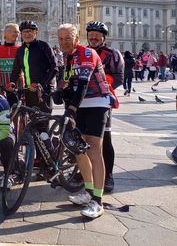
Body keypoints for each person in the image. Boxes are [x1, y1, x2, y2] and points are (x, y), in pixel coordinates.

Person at [56, 23, 112, 219]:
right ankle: (88, 191)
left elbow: (83, 83)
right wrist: (60, 92)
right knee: (78, 148)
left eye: (67, 39)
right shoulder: (67, 57)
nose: (63, 42)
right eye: (60, 39)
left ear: (77, 39)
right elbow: (69, 84)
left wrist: (71, 109)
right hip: (80, 105)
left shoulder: (87, 54)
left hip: (97, 102)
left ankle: (98, 199)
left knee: (94, 148)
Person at [85, 21, 124, 194]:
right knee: (81, 139)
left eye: (97, 34)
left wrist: (103, 91)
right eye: (91, 34)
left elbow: (119, 76)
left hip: (101, 102)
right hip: (83, 101)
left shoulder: (112, 54)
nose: (93, 37)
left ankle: (108, 175)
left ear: (103, 37)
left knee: (104, 139)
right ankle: (83, 172)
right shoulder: (82, 52)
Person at [10, 20, 58, 111]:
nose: (27, 34)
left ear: (35, 33)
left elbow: (54, 67)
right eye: (24, 32)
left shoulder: (44, 46)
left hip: (44, 90)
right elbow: (16, 69)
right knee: (31, 121)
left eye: (30, 31)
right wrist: (12, 83)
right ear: (21, 34)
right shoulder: (20, 50)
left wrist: (41, 84)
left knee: (43, 120)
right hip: (29, 90)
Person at [0, 23, 22, 103]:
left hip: (19, 88)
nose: (17, 34)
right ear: (6, 33)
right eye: (15, 32)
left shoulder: (22, 50)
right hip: (3, 88)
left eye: (18, 32)